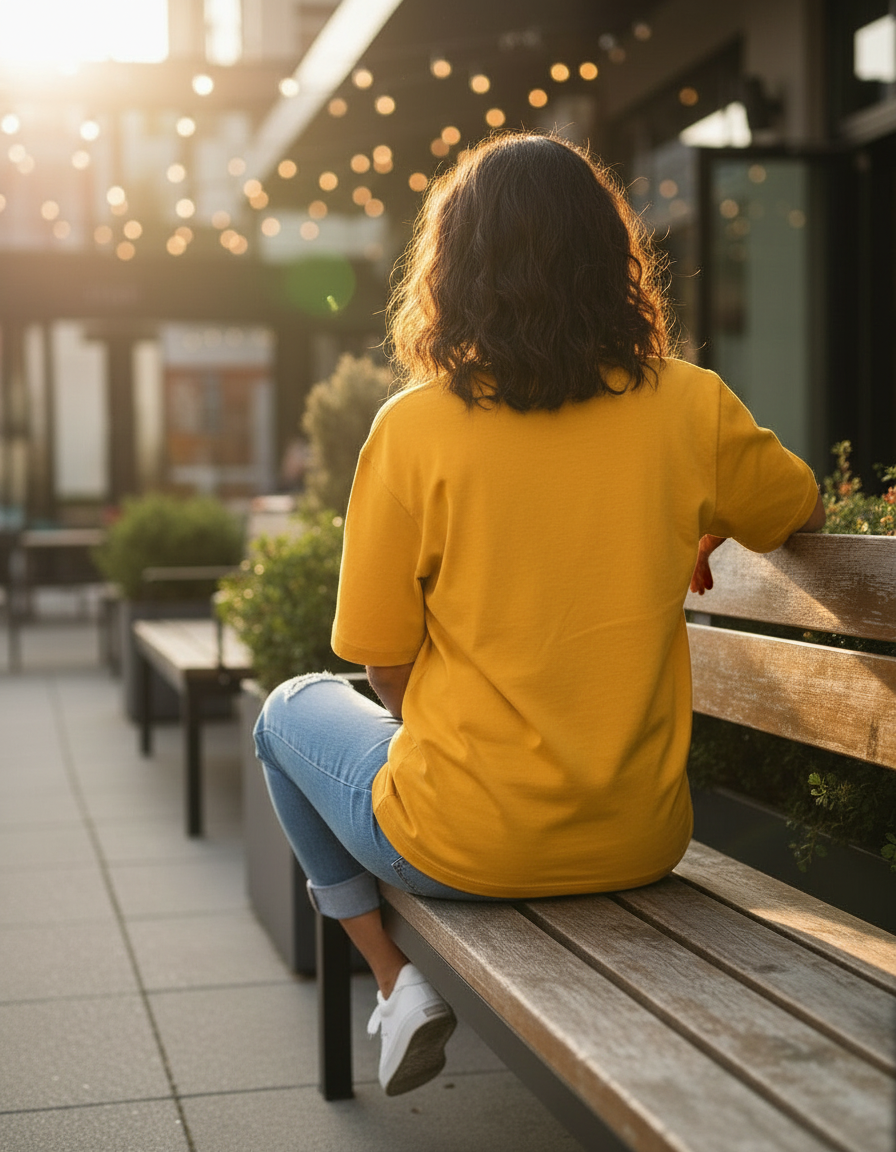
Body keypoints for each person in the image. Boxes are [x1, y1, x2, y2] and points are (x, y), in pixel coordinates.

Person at [253, 132, 825, 1098]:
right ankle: (398, 986)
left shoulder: (412, 427)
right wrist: (702, 526)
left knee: (284, 713)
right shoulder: (690, 407)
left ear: (453, 269)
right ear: (612, 262)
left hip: (462, 843)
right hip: (640, 840)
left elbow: (382, 667)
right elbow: (800, 507)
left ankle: (395, 986)